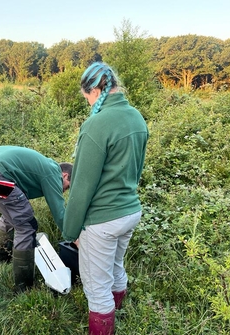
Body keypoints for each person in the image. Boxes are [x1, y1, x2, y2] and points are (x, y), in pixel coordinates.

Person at [62, 62, 148, 335]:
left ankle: (106, 324)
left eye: (86, 96)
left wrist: (71, 230)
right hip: (130, 211)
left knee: (96, 287)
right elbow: (137, 169)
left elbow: (81, 187)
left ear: (95, 90)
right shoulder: (136, 117)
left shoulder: (96, 125)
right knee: (115, 267)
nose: (87, 103)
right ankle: (119, 315)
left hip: (102, 220)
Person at [0, 145, 72, 292]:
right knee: (26, 225)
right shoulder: (53, 174)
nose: (64, 191)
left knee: (10, 216)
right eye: (67, 186)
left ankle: (1, 261)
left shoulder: (45, 167)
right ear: (64, 175)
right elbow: (59, 212)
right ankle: (23, 287)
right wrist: (74, 236)